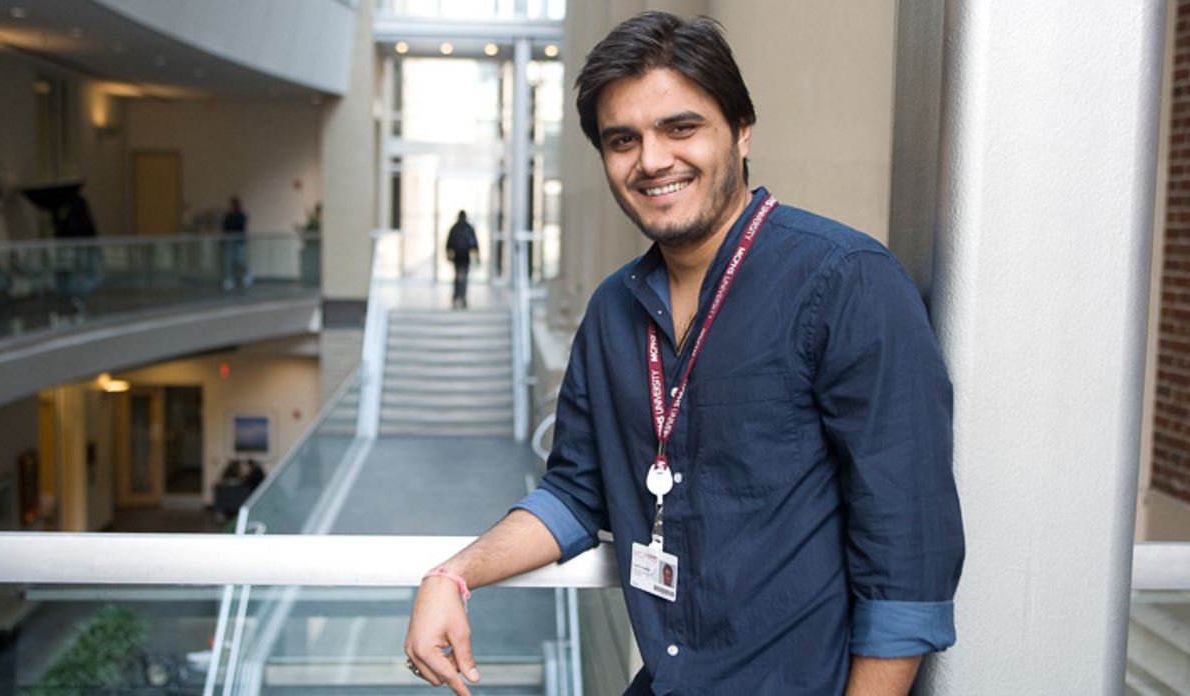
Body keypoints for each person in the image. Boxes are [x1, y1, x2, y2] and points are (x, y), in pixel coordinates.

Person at [404, 11, 964, 696]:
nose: (652, 161)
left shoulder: (846, 280)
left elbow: (906, 552)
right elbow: (576, 493)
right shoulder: (613, 310)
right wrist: (452, 574)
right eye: (622, 140)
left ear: (740, 128)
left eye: (680, 127)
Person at [445, 210, 479, 308]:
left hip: (458, 258)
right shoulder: (468, 228)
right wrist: (477, 255)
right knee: (463, 279)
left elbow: (449, 243)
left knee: (458, 278)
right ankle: (461, 297)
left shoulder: (455, 228)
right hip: (464, 258)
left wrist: (448, 254)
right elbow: (474, 243)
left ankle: (458, 297)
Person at [221, 196, 251, 290]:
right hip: (229, 240)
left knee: (239, 259)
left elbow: (240, 226)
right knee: (228, 261)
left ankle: (248, 273)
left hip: (238, 241)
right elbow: (225, 227)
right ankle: (229, 279)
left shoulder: (241, 215)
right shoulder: (228, 216)